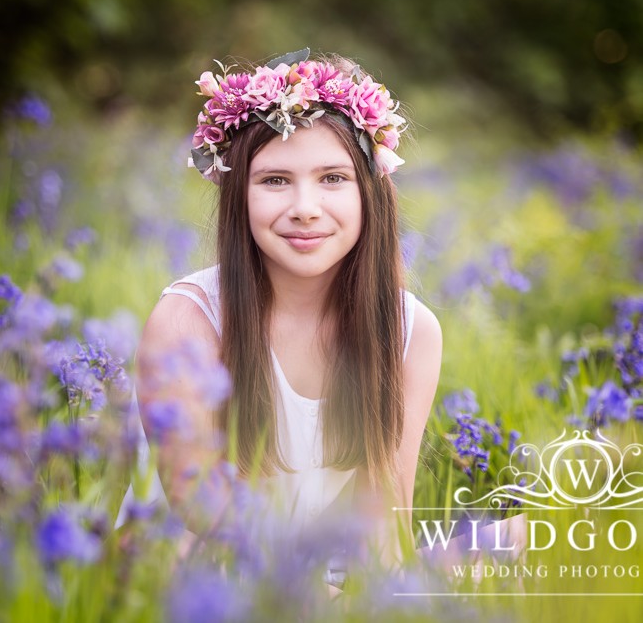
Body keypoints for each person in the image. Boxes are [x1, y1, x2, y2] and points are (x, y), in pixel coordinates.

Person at [116, 48, 442, 589]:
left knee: (529, 539)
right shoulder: (189, 321)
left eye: (333, 178)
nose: (305, 207)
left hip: (324, 573)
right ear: (238, 195)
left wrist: (369, 598)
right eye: (274, 181)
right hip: (200, 578)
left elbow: (384, 514)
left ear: (371, 191)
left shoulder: (411, 331)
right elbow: (203, 514)